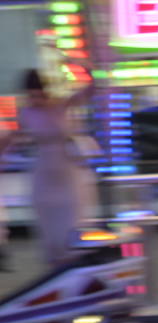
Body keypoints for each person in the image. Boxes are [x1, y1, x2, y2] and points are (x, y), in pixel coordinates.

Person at [0, 69, 97, 267]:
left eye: (36, 94)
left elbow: (87, 94)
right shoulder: (27, 113)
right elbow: (14, 138)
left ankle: (72, 257)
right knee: (48, 216)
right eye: (30, 95)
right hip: (43, 170)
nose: (33, 99)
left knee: (70, 214)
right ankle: (57, 260)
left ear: (43, 91)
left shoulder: (60, 105)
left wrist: (91, 73)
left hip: (66, 168)